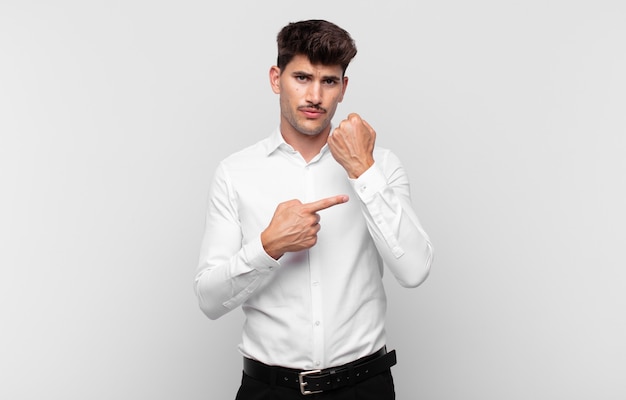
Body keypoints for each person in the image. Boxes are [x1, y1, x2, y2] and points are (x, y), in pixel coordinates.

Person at [195, 19, 433, 400]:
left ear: (343, 88)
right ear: (276, 79)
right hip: (270, 390)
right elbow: (208, 300)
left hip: (364, 387)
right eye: (302, 78)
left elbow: (415, 270)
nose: (315, 96)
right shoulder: (235, 173)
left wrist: (361, 171)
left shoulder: (381, 165)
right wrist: (268, 246)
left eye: (329, 81)